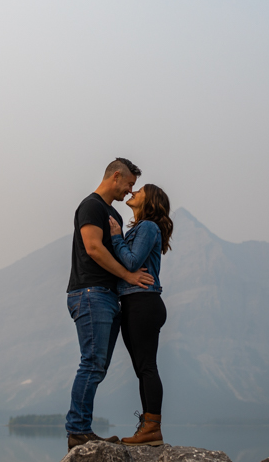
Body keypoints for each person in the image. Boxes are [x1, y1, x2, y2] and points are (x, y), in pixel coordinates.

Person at [65, 158, 155, 451]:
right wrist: (129, 275)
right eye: (129, 184)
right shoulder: (91, 206)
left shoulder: (110, 212)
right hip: (91, 293)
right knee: (91, 363)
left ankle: (82, 429)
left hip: (104, 295)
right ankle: (78, 430)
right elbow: (93, 248)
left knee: (97, 365)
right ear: (116, 176)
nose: (130, 191)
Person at [108, 183, 174, 447]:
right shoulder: (140, 228)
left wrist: (115, 237)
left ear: (150, 201)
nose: (133, 192)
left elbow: (133, 262)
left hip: (144, 302)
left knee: (146, 367)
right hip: (135, 303)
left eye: (140, 190)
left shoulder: (147, 227)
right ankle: (148, 427)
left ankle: (152, 428)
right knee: (142, 368)